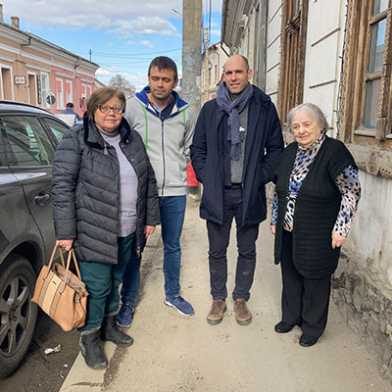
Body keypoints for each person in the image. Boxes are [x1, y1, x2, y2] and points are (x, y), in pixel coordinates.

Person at [52, 87, 160, 369]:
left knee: (116, 281)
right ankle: (89, 339)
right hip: (93, 228)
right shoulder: (76, 140)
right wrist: (65, 232)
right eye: (106, 108)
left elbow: (147, 179)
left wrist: (149, 218)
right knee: (97, 288)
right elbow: (62, 187)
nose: (112, 114)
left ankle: (109, 328)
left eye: (118, 108)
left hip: (128, 228)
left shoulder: (131, 138)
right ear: (93, 109)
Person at [191, 54, 284, 326]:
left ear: (249, 72)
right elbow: (198, 149)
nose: (233, 77)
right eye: (228, 72)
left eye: (238, 72)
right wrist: (208, 177)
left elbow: (276, 149)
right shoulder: (211, 109)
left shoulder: (264, 107)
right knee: (217, 250)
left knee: (247, 249)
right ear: (223, 75)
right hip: (218, 193)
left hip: (248, 193)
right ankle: (218, 298)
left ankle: (241, 298)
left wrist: (258, 177)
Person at [271, 103, 361, 347]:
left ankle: (312, 326)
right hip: (289, 228)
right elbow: (280, 190)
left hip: (319, 229)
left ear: (320, 124)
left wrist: (341, 228)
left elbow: (351, 191)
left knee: (315, 278)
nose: (300, 130)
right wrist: (275, 218)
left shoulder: (335, 152)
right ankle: (291, 317)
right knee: (290, 272)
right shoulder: (290, 151)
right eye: (295, 126)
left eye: (306, 124)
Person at [117, 56, 194, 326]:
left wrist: (178, 168)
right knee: (136, 247)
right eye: (155, 79)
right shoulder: (133, 107)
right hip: (141, 192)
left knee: (172, 246)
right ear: (148, 78)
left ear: (175, 82)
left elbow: (188, 146)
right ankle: (127, 301)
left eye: (166, 79)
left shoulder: (186, 111)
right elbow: (121, 141)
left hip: (174, 191)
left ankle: (172, 294)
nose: (160, 84)